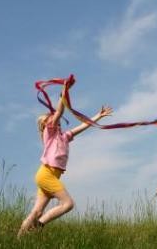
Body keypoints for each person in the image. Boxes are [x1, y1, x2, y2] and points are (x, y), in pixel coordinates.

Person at [17, 86, 112, 238]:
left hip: (49, 176)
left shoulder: (64, 137)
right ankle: (38, 225)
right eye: (52, 118)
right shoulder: (50, 133)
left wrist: (98, 116)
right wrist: (63, 95)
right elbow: (59, 112)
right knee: (68, 204)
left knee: (37, 211)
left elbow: (83, 126)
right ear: (47, 124)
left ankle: (19, 238)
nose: (55, 119)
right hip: (46, 174)